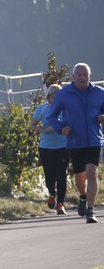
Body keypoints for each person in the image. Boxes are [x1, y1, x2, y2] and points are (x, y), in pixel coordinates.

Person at [46, 63, 104, 223]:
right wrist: (61, 128)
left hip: (93, 140)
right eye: (79, 75)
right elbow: (51, 117)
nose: (82, 77)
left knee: (92, 173)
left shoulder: (99, 93)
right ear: (73, 77)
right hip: (75, 141)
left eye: (85, 75)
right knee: (80, 178)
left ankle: (90, 210)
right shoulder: (64, 94)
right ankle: (83, 196)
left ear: (90, 76)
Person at [30, 84, 69, 214]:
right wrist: (43, 130)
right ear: (49, 98)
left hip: (63, 146)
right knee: (50, 176)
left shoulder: (66, 109)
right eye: (53, 97)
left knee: (61, 175)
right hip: (46, 147)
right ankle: (52, 193)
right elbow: (32, 125)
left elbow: (73, 123)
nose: (56, 99)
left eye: (58, 97)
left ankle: (60, 204)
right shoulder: (42, 109)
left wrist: (64, 128)